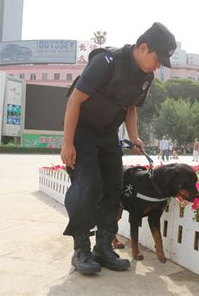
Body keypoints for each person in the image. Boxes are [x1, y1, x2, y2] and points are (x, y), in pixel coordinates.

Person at [60, 22, 176, 275]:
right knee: (87, 186)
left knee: (114, 186)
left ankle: (103, 247)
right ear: (144, 47)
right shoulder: (107, 61)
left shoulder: (146, 76)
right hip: (83, 131)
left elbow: (130, 107)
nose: (158, 66)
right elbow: (75, 99)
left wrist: (134, 137)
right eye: (158, 59)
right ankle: (81, 249)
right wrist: (68, 142)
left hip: (108, 134)